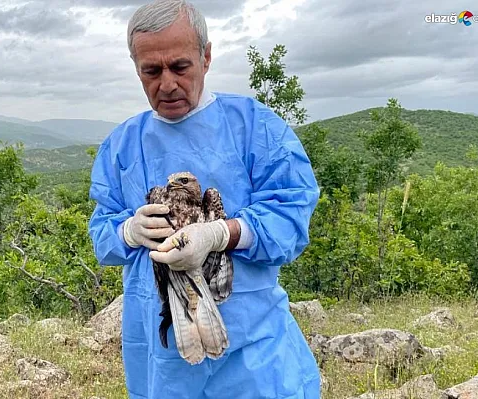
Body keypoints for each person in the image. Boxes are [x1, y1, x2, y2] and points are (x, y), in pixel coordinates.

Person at [87, 1, 322, 398]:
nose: (167, 84)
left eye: (180, 67)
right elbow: (102, 234)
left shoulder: (255, 128)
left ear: (206, 56)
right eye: (151, 71)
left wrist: (221, 234)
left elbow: (290, 218)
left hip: (253, 355)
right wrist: (127, 231)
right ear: (136, 68)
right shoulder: (121, 148)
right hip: (164, 355)